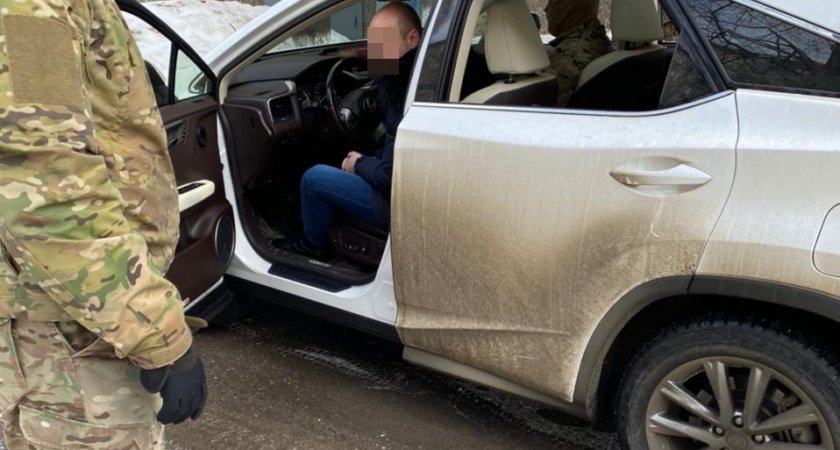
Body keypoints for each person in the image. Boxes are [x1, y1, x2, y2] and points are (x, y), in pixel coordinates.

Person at [0, 0, 206, 448]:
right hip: (66, 328)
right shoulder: (32, 7)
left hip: (76, 311)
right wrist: (158, 332)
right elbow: (48, 192)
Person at [281, 1, 422, 260]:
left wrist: (359, 164)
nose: (374, 51)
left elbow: (391, 177)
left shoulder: (398, 86)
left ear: (413, 38)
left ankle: (314, 247)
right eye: (372, 41)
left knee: (313, 178)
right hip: (415, 187)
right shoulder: (422, 77)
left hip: (397, 201)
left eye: (382, 41)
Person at [543, 0, 612, 106]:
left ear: (569, 8)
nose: (546, 9)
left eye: (552, 2)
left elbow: (540, 104)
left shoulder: (572, 53)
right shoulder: (594, 40)